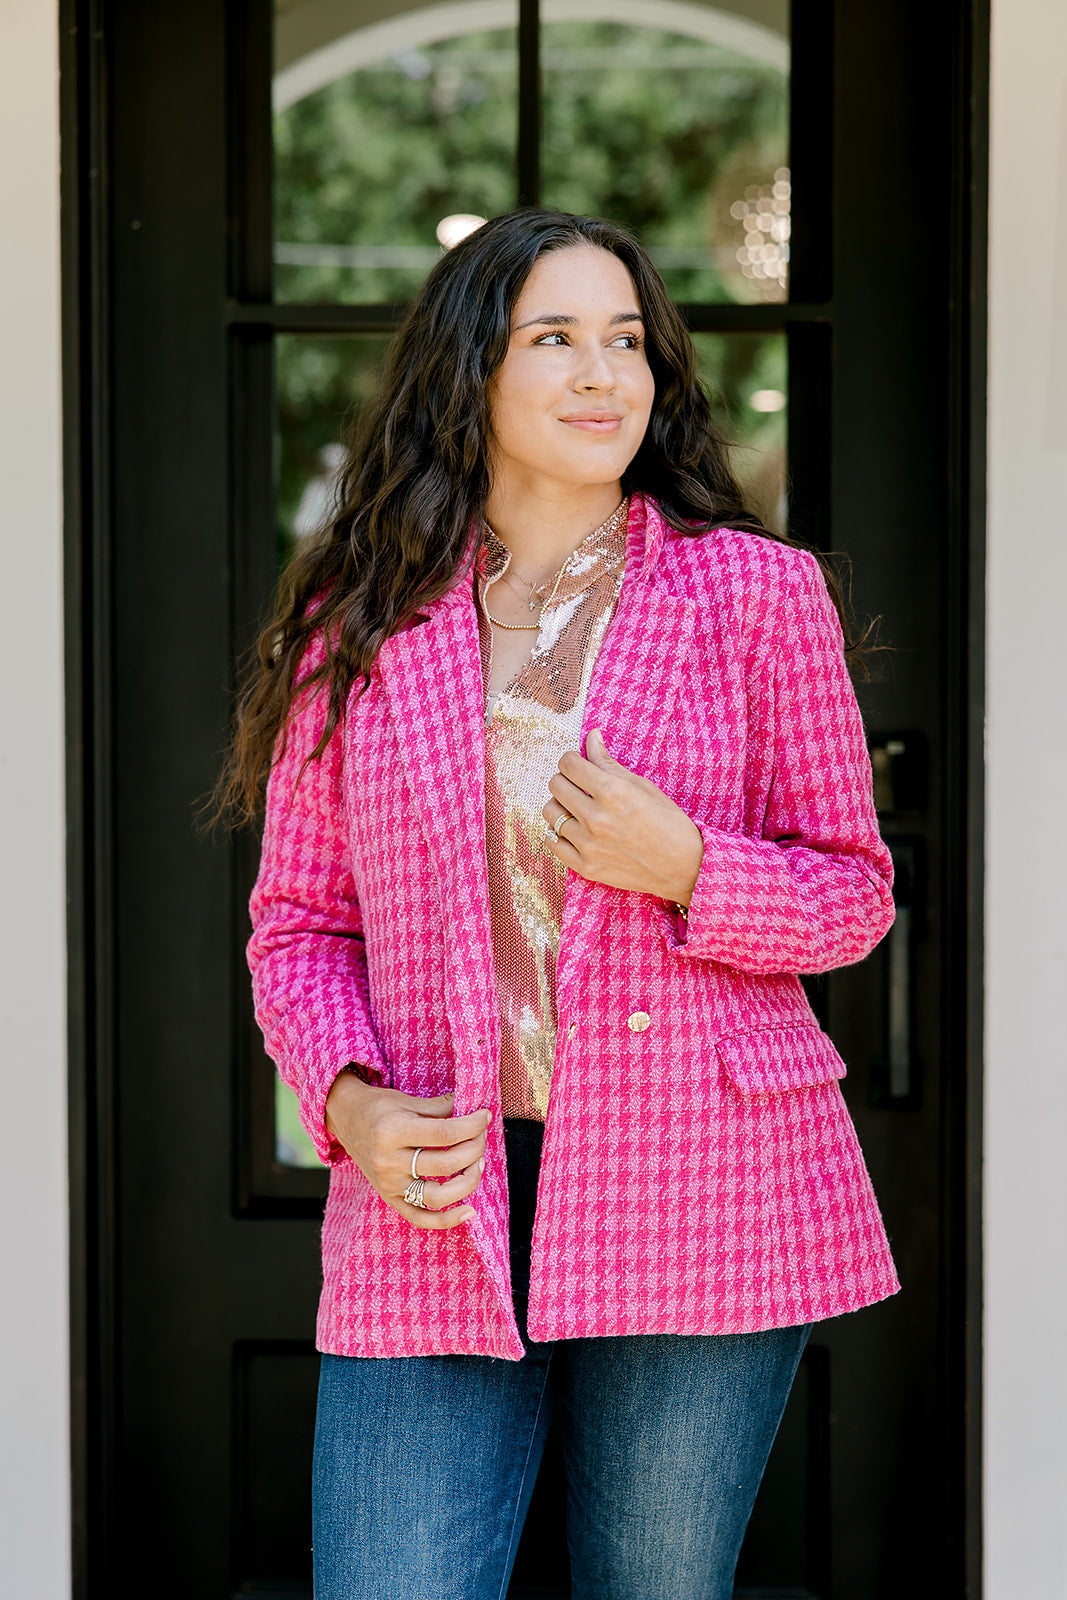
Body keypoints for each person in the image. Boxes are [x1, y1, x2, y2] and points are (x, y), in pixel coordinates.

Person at [225, 209, 899, 1600]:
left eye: (627, 340)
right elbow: (298, 922)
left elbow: (854, 896)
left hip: (702, 1180)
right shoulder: (359, 618)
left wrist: (693, 867)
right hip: (440, 1191)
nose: (605, 374)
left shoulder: (755, 596)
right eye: (556, 339)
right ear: (470, 373)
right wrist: (348, 1103)